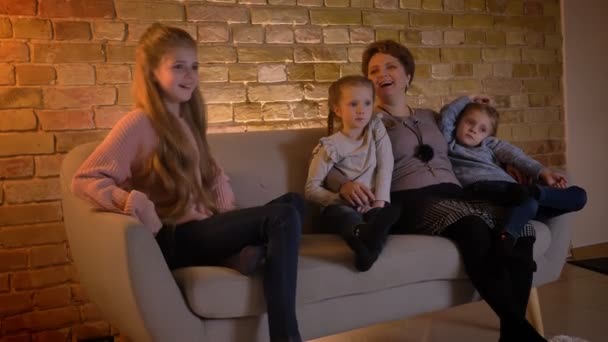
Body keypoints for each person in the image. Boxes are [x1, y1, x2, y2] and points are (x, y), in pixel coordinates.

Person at [71, 24, 303, 342]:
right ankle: (286, 337)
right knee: (283, 217)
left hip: (203, 230)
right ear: (152, 73)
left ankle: (238, 255)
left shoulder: (186, 121)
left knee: (295, 203)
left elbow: (211, 174)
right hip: (177, 237)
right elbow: (85, 178)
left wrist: (225, 208)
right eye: (178, 67)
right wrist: (129, 201)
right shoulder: (138, 123)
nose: (190, 75)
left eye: (194, 66)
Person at [327, 40, 547, 342]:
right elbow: (330, 161)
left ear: (407, 76)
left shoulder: (433, 117)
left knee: (522, 230)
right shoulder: (366, 120)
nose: (382, 74)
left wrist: (502, 166)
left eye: (390, 66)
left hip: (457, 194)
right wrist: (346, 183)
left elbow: (471, 147)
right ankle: (523, 332)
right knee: (472, 226)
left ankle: (511, 334)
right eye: (373, 70)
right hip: (410, 199)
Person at [439, 96, 587, 255]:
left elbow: (515, 155)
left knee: (579, 196)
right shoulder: (450, 143)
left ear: (488, 135)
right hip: (482, 189)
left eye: (482, 129)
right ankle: (516, 219)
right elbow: (447, 115)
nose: (474, 130)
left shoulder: (488, 145)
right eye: (469, 122)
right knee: (524, 198)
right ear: (458, 123)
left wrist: (544, 172)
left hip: (515, 193)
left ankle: (514, 224)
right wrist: (469, 98)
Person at [305, 75, 400, 272]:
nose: (362, 110)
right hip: (339, 207)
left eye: (367, 103)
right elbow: (311, 189)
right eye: (353, 104)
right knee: (343, 216)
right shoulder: (330, 146)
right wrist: (341, 200)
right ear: (337, 110)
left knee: (390, 212)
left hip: (372, 205)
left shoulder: (376, 129)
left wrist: (378, 203)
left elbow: (385, 165)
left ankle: (367, 251)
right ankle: (360, 234)